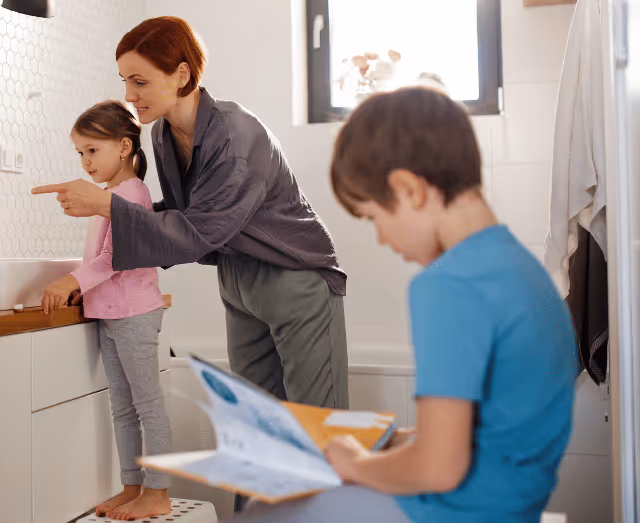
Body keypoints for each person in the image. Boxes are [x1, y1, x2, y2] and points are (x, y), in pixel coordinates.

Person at [230, 87, 579, 523]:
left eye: (374, 217)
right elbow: (497, 429)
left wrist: (355, 463)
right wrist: (397, 440)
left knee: (267, 508)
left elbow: (439, 467)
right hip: (514, 507)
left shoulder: (447, 284)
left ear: (409, 189)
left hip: (457, 511)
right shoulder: (525, 272)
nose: (381, 239)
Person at [33, 16, 349, 414]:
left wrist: (105, 205)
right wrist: (111, 205)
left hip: (293, 276)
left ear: (181, 74)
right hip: (237, 280)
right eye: (125, 80)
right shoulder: (163, 134)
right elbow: (185, 211)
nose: (129, 95)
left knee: (321, 425)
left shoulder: (235, 136)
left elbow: (199, 230)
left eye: (140, 81)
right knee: (261, 424)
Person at [41, 101, 173, 521]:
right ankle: (132, 486)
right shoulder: (110, 196)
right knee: (123, 406)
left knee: (148, 406)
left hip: (134, 314)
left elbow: (114, 259)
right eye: (80, 153)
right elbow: (99, 257)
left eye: (92, 151)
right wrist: (83, 288)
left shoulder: (132, 194)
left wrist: (72, 282)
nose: (85, 161)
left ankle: (159, 492)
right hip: (111, 314)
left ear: (122, 147)